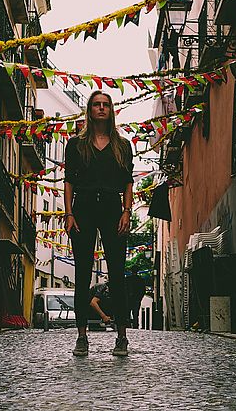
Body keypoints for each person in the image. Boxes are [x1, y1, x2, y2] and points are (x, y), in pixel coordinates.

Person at [64, 91, 134, 357]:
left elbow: (128, 181)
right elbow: (69, 180)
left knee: (117, 273)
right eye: (96, 105)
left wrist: (126, 211)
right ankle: (82, 336)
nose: (101, 109)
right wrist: (69, 213)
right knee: (82, 273)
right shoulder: (76, 145)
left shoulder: (122, 145)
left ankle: (122, 337)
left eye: (105, 105)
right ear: (90, 110)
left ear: (111, 110)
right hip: (83, 208)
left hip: (112, 208)